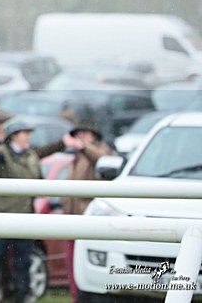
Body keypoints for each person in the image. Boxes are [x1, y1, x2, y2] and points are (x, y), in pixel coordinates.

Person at [0, 117, 71, 303]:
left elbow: (39, 183)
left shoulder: (32, 157)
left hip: (24, 216)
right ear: (14, 136)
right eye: (25, 133)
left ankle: (22, 294)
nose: (28, 137)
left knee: (23, 260)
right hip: (0, 217)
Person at [61, 115, 115, 303]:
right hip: (72, 219)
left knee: (88, 263)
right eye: (78, 134)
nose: (80, 137)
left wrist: (84, 147)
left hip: (90, 221)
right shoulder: (77, 158)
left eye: (84, 133)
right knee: (72, 263)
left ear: (94, 135)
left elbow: (105, 161)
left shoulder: (102, 152)